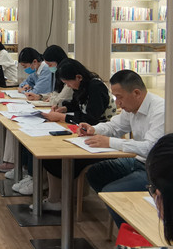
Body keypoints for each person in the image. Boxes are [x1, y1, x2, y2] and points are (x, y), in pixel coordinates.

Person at [24, 59, 112, 205]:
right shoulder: (82, 86)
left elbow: (91, 118)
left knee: (55, 156)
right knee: (49, 152)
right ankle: (52, 195)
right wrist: (64, 109)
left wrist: (61, 117)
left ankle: (56, 199)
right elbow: (77, 105)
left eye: (68, 83)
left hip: (100, 136)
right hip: (86, 131)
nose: (68, 86)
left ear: (78, 77)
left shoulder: (96, 87)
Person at [84, 69, 166, 224]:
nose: (117, 103)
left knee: (112, 192)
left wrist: (110, 142)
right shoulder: (131, 107)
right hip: (137, 161)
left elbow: (150, 148)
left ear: (136, 93)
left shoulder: (160, 111)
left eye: (119, 97)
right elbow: (115, 126)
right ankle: (125, 215)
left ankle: (130, 227)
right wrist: (93, 129)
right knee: (95, 173)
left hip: (155, 170)